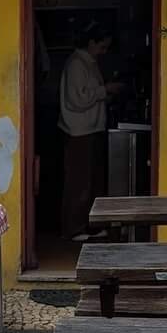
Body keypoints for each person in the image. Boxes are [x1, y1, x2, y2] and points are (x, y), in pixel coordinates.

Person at [59, 24, 120, 242]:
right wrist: (105, 90)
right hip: (79, 132)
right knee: (79, 183)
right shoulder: (77, 64)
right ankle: (74, 228)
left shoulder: (88, 63)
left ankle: (89, 225)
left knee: (90, 182)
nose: (104, 51)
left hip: (90, 130)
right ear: (91, 42)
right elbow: (78, 99)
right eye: (102, 47)